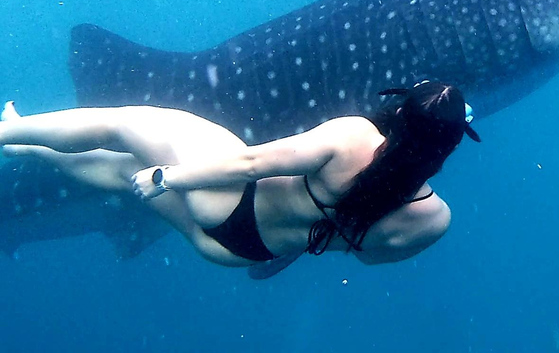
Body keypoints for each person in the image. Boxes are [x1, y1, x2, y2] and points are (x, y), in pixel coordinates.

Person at [0, 81, 480, 277]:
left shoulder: (353, 137)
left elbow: (251, 164)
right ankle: (29, 148)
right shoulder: (435, 220)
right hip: (237, 250)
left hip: (225, 202)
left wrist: (170, 177)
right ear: (451, 145)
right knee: (123, 172)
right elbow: (368, 259)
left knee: (124, 123)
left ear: (398, 111)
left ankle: (10, 132)